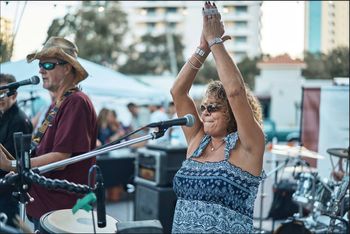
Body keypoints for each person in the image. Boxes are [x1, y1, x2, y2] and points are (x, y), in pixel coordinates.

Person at [170, 2, 266, 233]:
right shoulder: (197, 141)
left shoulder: (249, 146)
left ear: (231, 112)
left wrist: (215, 42)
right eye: (203, 107)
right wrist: (201, 49)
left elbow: (234, 92)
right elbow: (178, 92)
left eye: (212, 107)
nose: (204, 112)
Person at [0, 37, 97, 231]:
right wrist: (14, 162)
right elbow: (42, 151)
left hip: (63, 211)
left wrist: (12, 165)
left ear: (67, 67)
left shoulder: (76, 102)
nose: (40, 70)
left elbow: (61, 158)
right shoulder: (59, 103)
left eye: (47, 64)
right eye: (39, 65)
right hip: (50, 207)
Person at [0, 73, 33, 228]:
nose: (0, 97)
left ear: (14, 95)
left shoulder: (20, 120)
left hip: (9, 193)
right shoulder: (4, 116)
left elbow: (16, 161)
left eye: (3, 93)